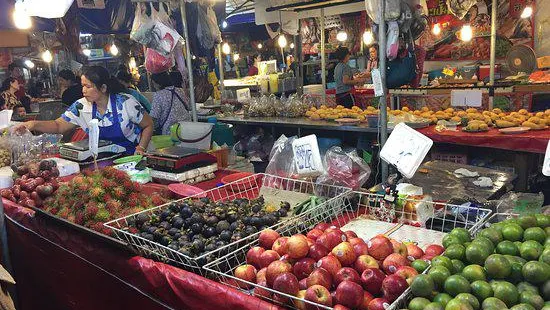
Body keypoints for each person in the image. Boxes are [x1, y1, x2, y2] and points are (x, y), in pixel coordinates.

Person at [15, 66, 153, 155]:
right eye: (82, 85)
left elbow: (148, 125)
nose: (83, 90)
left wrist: (141, 148)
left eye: (88, 86)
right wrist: (33, 124)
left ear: (103, 88)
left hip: (130, 158)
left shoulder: (125, 102)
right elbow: (59, 125)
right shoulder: (81, 106)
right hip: (100, 161)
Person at [149, 71, 191, 135]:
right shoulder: (180, 90)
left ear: (159, 83)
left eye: (154, 84)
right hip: (187, 128)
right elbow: (189, 106)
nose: (154, 86)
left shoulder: (158, 95)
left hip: (171, 132)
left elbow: (154, 116)